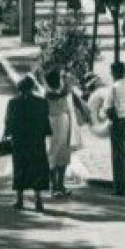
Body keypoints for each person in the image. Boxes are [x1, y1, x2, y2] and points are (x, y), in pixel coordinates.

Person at [89, 61, 125, 196]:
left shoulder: (114, 88)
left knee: (118, 156)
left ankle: (120, 188)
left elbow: (107, 107)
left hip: (118, 123)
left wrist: (106, 116)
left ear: (115, 73)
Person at [2, 75, 52, 211]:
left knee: (20, 167)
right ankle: (38, 200)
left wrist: (7, 134)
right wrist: (45, 133)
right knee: (37, 168)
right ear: (32, 87)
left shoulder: (13, 102)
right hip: (36, 140)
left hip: (19, 141)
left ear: (19, 88)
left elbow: (8, 121)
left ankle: (19, 200)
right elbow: (46, 121)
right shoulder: (42, 102)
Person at [42, 69, 79, 197]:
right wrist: (66, 82)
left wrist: (66, 79)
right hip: (55, 122)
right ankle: (54, 186)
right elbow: (60, 93)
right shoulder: (49, 93)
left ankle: (60, 185)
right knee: (54, 153)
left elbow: (70, 84)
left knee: (63, 153)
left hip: (62, 122)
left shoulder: (60, 91)